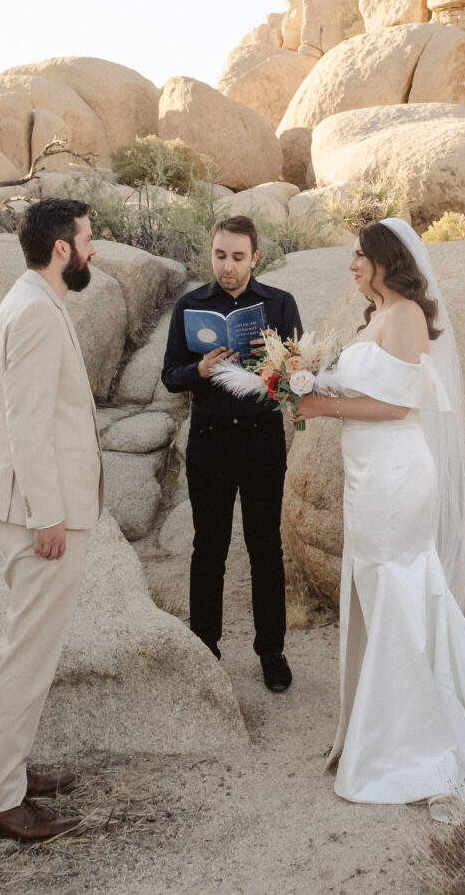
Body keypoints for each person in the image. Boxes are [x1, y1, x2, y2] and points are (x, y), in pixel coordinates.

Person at [294, 218, 465, 815]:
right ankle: (385, 729)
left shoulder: (406, 314)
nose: (351, 265)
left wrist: (321, 404)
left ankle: (414, 746)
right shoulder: (375, 318)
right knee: (380, 587)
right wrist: (303, 382)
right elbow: (365, 387)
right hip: (368, 476)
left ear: (386, 260)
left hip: (394, 475)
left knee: (397, 587)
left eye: (359, 256)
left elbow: (395, 404)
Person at [0, 197, 103, 842]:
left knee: (17, 649)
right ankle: (1, 801)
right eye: (87, 239)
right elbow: (27, 424)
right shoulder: (35, 313)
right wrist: (49, 513)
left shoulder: (27, 300)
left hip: (33, 504)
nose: (93, 250)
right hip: (43, 511)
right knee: (28, 655)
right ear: (61, 249)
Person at [160, 214, 303, 691]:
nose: (227, 266)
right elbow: (169, 375)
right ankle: (205, 647)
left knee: (265, 547)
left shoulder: (279, 305)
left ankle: (272, 652)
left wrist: (276, 362)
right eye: (220, 255)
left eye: (238, 257)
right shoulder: (190, 305)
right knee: (209, 547)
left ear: (255, 258)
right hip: (211, 439)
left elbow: (296, 379)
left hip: (262, 438)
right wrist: (198, 370)